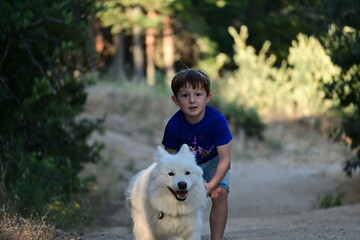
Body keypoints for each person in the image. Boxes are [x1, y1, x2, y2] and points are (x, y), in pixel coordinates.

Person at [162, 68, 232, 240]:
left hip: (213, 162)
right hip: (186, 167)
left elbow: (225, 160)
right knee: (182, 200)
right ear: (175, 100)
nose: (192, 100)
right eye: (185, 95)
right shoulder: (173, 126)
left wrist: (210, 185)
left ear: (208, 97)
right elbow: (168, 162)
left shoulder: (217, 120)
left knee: (220, 194)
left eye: (198, 94)